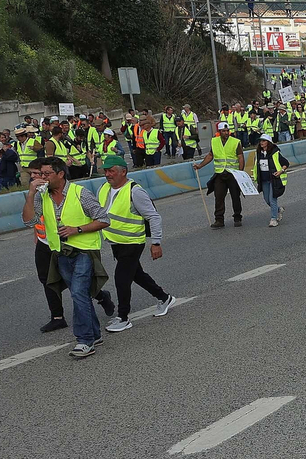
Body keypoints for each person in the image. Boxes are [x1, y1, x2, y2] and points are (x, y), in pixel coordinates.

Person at [23, 157, 112, 358]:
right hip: (60, 253)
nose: (42, 178)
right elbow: (29, 222)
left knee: (78, 293)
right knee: (80, 294)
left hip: (84, 250)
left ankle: (84, 340)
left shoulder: (80, 193)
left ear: (60, 174)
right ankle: (95, 333)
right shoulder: (41, 195)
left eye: (46, 174)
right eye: (40, 174)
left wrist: (77, 229)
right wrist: (30, 194)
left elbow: (103, 219)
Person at [97, 154, 177, 332]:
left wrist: (156, 242)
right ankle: (164, 298)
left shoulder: (134, 191)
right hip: (116, 242)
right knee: (136, 274)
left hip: (133, 241)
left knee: (121, 278)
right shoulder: (103, 188)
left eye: (111, 171)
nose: (108, 174)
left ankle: (123, 317)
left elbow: (153, 217)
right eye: (106, 171)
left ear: (123, 172)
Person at [194, 123, 245, 227]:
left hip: (232, 173)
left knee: (235, 196)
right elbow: (210, 156)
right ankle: (219, 220)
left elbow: (240, 157)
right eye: (224, 131)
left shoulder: (235, 142)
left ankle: (237, 217)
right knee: (219, 197)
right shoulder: (214, 141)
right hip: (220, 173)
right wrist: (200, 166)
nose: (226, 133)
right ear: (219, 132)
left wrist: (240, 172)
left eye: (227, 131)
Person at [254, 134, 291, 226]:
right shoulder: (258, 153)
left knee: (272, 199)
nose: (261, 143)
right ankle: (279, 210)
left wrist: (280, 171)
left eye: (263, 141)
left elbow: (286, 163)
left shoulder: (275, 153)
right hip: (264, 180)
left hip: (274, 180)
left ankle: (273, 219)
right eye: (261, 141)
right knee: (267, 200)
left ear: (268, 142)